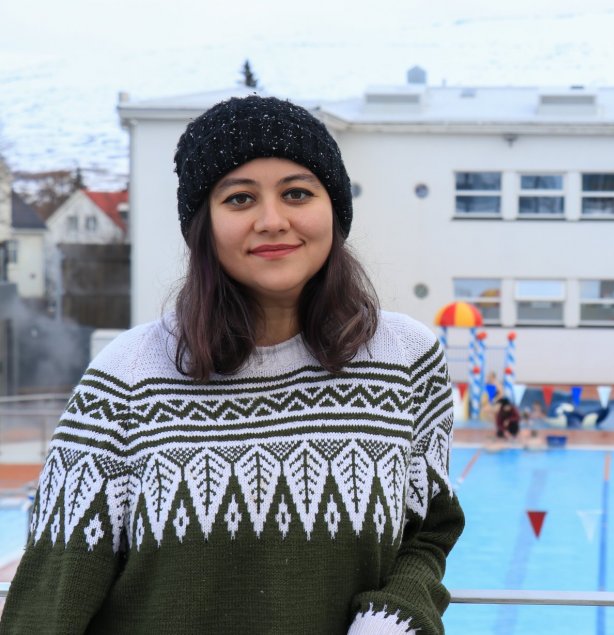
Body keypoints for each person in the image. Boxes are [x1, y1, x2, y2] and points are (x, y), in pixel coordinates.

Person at [0, 95, 465, 634]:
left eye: (297, 193)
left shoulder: (406, 360)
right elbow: (51, 596)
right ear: (204, 224)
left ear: (333, 209)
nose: (273, 221)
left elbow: (429, 530)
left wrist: (398, 613)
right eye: (240, 198)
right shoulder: (126, 379)